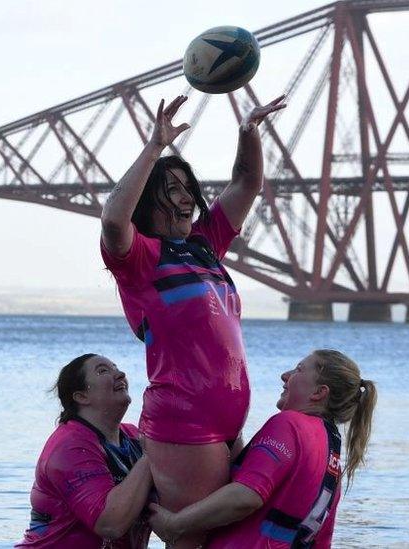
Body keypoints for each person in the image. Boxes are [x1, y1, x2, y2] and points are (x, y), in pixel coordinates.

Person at [99, 94, 286, 547]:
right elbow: (112, 219)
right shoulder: (141, 259)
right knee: (192, 542)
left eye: (188, 188)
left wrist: (248, 133)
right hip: (184, 423)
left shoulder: (204, 245)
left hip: (226, 422)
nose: (186, 198)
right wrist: (155, 148)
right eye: (172, 191)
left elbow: (246, 182)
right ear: (150, 202)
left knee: (221, 541)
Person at [148, 349, 378, 548]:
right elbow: (321, 539)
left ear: (319, 393)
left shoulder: (289, 424)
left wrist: (174, 524)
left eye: (299, 370)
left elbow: (246, 497)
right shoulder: (332, 449)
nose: (285, 376)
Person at [16, 353, 152, 548]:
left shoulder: (133, 437)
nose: (120, 374)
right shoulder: (69, 446)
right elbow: (110, 524)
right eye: (103, 371)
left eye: (116, 368)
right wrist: (151, 457)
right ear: (81, 396)